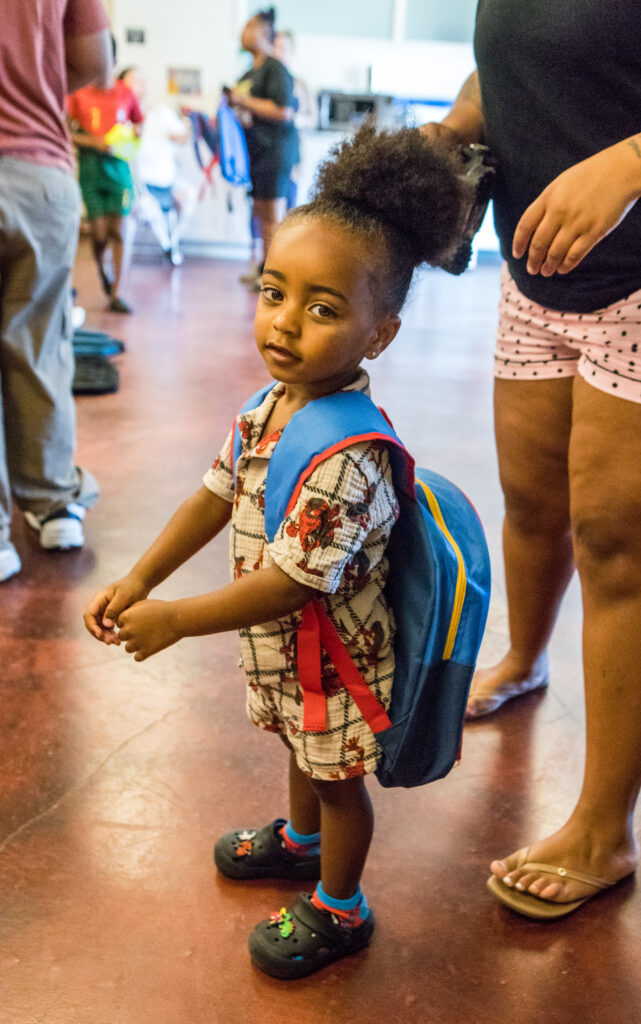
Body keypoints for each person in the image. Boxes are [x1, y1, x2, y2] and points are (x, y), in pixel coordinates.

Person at [83, 123, 466, 977]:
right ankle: (300, 844)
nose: (286, 323)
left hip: (334, 659)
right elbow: (213, 495)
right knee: (297, 750)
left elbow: (293, 583)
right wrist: (141, 575)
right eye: (273, 292)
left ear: (381, 333)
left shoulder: (352, 457)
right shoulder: (272, 403)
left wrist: (174, 619)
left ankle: (341, 906)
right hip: (290, 655)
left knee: (336, 782)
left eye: (324, 308)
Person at [423, 0, 641, 918]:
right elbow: (512, 70)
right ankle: (524, 658)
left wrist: (626, 167)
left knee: (616, 544)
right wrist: (457, 127)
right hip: (536, 272)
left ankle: (603, 830)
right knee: (530, 504)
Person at [0, 0, 110, 581]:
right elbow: (95, 60)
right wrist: (33, 82)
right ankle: (52, 504)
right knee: (39, 344)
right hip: (39, 170)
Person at [67, 42, 144, 313]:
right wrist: (93, 141)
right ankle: (103, 272)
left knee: (120, 231)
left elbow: (138, 126)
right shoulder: (78, 95)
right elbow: (64, 132)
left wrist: (126, 141)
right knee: (99, 235)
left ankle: (117, 293)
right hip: (90, 170)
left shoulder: (125, 94)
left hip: (119, 171)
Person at [228, 7, 299, 287]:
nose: (242, 33)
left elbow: (284, 111)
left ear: (263, 34)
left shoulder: (275, 68)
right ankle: (264, 269)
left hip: (275, 151)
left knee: (272, 217)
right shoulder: (249, 73)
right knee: (260, 213)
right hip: (255, 152)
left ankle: (275, 278)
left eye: (248, 27)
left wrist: (242, 102)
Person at [118, 67, 197, 266]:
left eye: (141, 80)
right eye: (133, 80)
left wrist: (188, 120)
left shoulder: (160, 113)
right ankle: (168, 246)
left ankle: (171, 243)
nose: (140, 85)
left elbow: (181, 138)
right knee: (148, 209)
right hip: (139, 187)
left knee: (189, 197)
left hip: (167, 181)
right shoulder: (121, 120)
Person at [273, 29, 316, 209]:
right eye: (275, 47)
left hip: (291, 155)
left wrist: (290, 119)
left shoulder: (300, 85)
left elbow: (312, 119)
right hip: (266, 154)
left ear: (291, 51)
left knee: (290, 206)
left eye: (283, 48)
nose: (278, 52)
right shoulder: (264, 83)